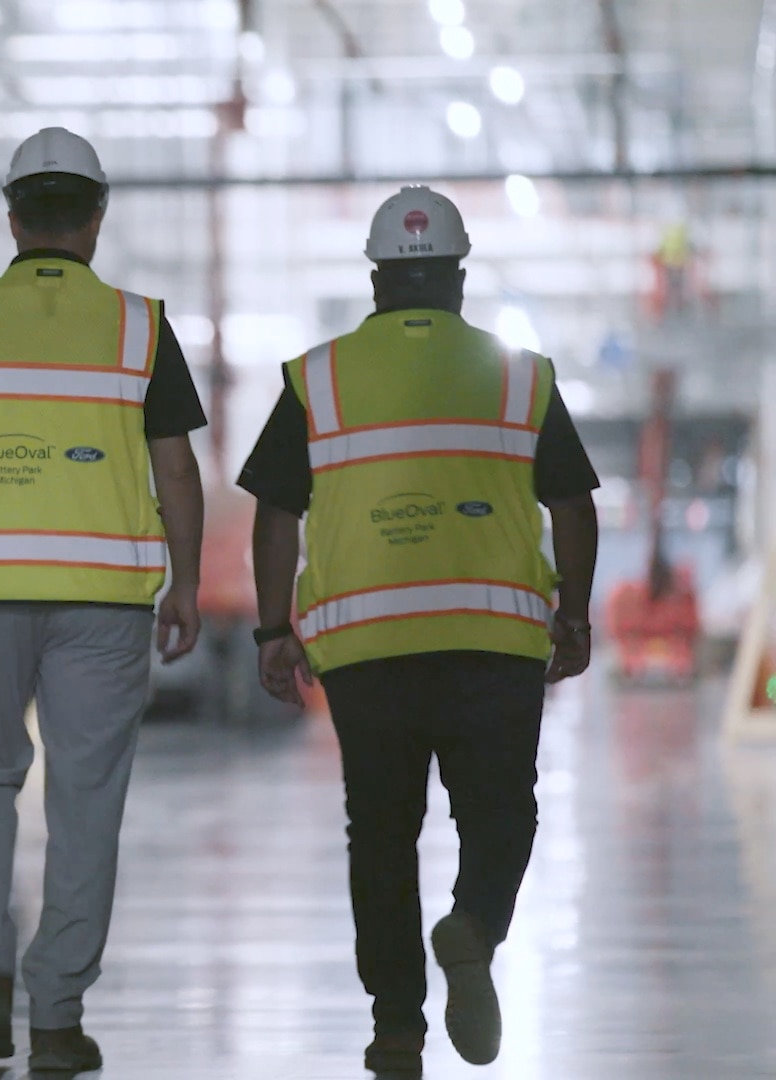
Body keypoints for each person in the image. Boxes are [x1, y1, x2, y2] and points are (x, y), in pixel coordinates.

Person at [239, 186, 600, 1078]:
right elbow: (574, 505)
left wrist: (273, 629)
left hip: (366, 652)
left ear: (376, 279)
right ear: (459, 278)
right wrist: (576, 613)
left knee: (382, 834)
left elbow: (275, 514)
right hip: (494, 643)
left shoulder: (316, 377)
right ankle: (472, 923)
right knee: (502, 814)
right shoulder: (521, 375)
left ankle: (397, 1027)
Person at [0, 128, 208, 1074]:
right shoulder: (141, 325)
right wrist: (184, 580)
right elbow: (176, 468)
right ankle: (56, 1013)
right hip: (105, 603)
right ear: (96, 221)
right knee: (86, 800)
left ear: (12, 218)